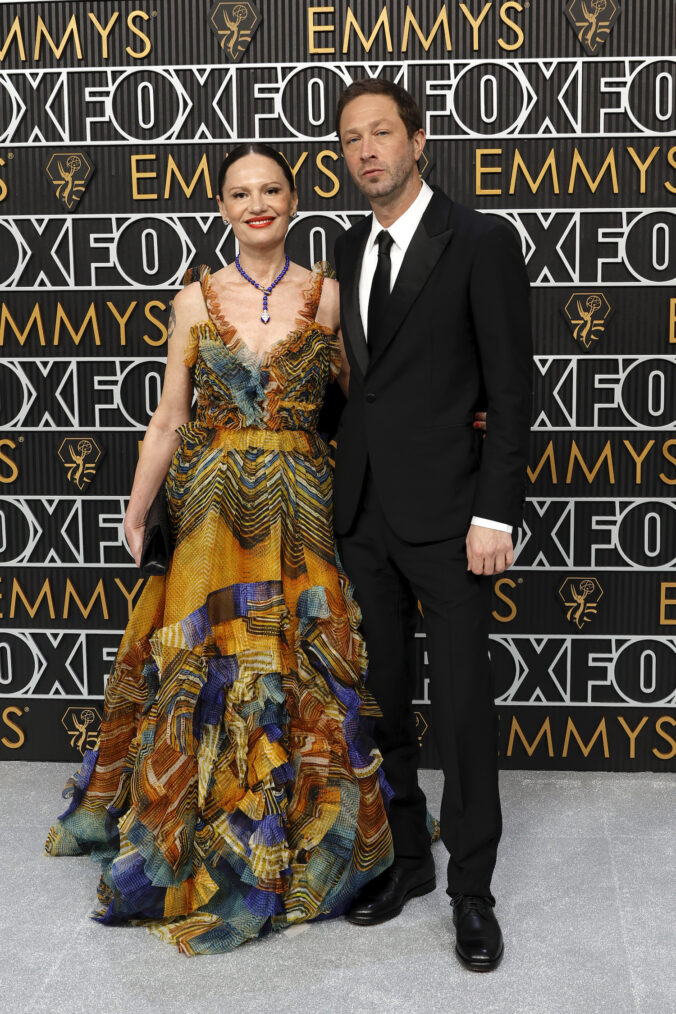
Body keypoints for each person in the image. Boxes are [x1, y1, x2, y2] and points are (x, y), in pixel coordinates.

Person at [44, 142, 398, 955]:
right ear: (222, 208)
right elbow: (168, 419)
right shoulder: (195, 302)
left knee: (300, 665)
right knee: (209, 671)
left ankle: (304, 836)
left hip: (302, 508)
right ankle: (201, 831)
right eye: (240, 193)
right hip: (207, 513)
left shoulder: (332, 296)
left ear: (295, 200)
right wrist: (138, 509)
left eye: (271, 189)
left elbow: (371, 400)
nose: (257, 204)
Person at [332, 79, 533, 972]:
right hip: (364, 514)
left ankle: (473, 893)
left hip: (454, 519)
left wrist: (495, 509)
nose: (367, 150)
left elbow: (512, 390)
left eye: (382, 133)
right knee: (386, 705)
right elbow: (362, 384)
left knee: (460, 710)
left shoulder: (481, 242)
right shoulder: (345, 245)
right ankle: (410, 861)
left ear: (418, 140)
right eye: (351, 140)